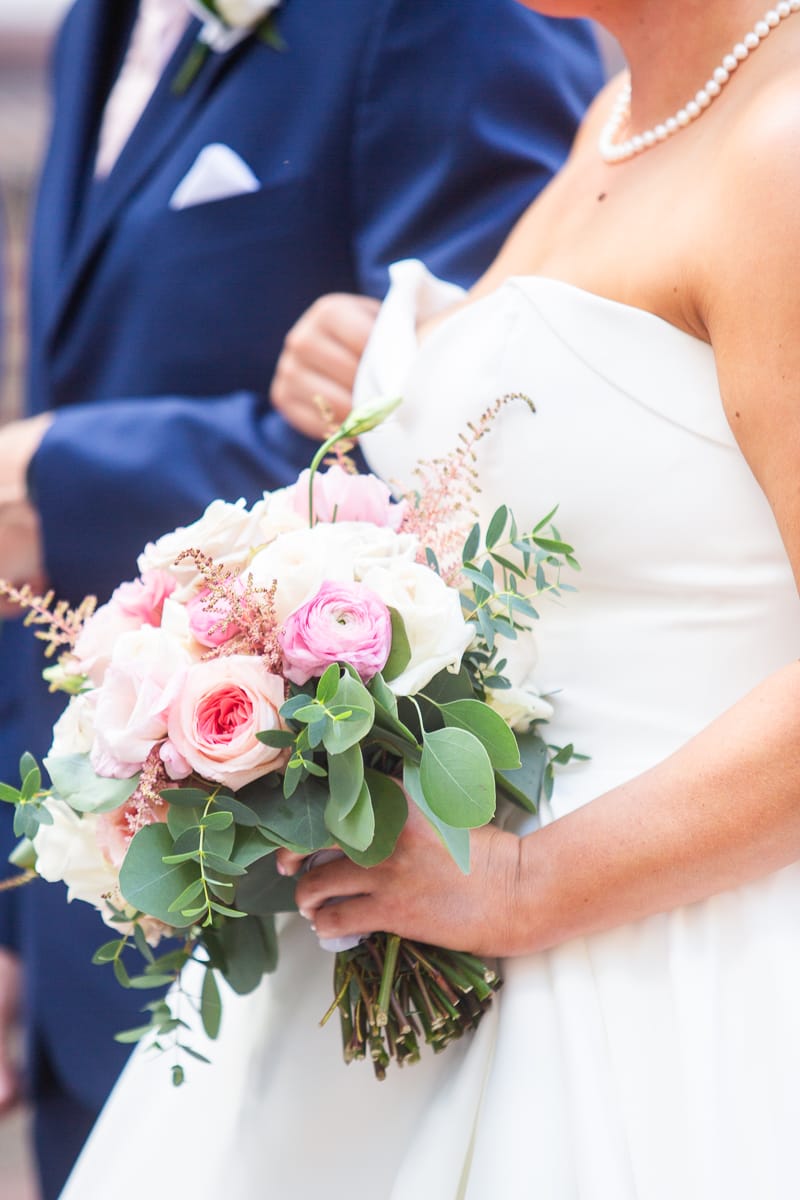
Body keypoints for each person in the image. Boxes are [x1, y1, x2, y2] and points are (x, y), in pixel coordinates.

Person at [55, 0, 800, 1196]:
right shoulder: (616, 112)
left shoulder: (782, 149)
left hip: (661, 965)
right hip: (446, 940)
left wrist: (522, 884)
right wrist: (397, 358)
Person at [0, 2, 602, 1195]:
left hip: (313, 926)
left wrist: (62, 472)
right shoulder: (89, 22)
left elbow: (491, 434)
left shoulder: (460, 17)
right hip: (94, 923)